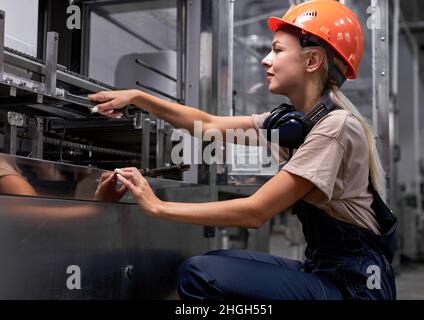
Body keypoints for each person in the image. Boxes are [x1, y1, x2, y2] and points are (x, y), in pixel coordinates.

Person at [90, 0, 397, 300]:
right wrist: (138, 97)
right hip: (323, 268)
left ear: (312, 61)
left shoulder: (335, 127)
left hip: (354, 286)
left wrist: (157, 206)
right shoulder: (293, 124)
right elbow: (207, 125)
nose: (266, 59)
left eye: (277, 50)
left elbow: (255, 212)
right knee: (220, 258)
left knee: (201, 273)